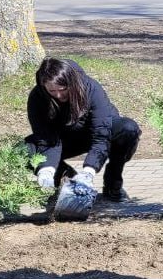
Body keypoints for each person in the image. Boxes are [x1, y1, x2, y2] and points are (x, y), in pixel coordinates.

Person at [26, 58, 141, 201]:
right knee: (22, 151)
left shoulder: (91, 89)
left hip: (96, 133)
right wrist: (46, 170)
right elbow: (46, 139)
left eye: (62, 89)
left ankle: (113, 184)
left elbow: (102, 135)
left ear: (71, 83)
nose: (58, 95)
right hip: (64, 139)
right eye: (52, 91)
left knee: (128, 129)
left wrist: (88, 172)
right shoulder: (37, 97)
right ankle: (68, 180)